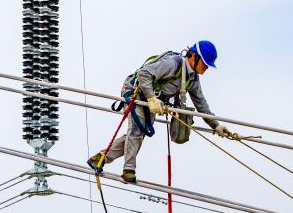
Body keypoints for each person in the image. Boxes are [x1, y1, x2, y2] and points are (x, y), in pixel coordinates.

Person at [88, 40, 236, 183]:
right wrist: (151, 98)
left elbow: (201, 103)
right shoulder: (174, 64)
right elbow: (143, 73)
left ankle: (100, 158)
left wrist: (215, 125)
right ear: (194, 57)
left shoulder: (193, 79)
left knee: (138, 133)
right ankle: (129, 170)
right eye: (205, 63)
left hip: (152, 100)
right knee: (137, 131)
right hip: (136, 92)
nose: (206, 68)